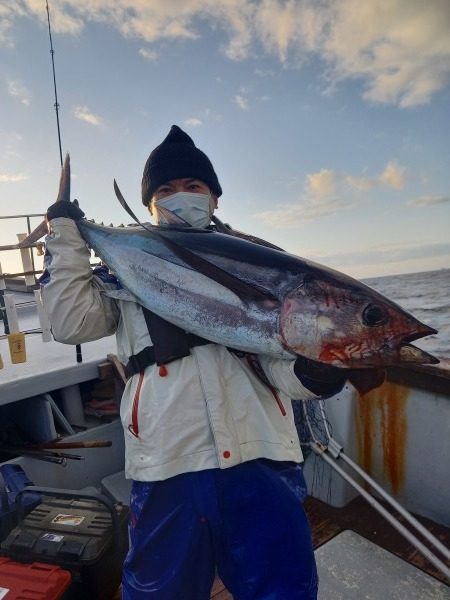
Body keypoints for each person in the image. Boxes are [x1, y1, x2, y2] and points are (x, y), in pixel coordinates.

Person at [42, 125, 349, 600]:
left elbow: (281, 371)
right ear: (149, 206)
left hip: (261, 455)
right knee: (161, 592)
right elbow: (69, 324)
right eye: (165, 190)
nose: (180, 196)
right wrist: (66, 237)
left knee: (282, 588)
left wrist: (316, 371)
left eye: (193, 187)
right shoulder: (125, 270)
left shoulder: (265, 264)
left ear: (215, 198)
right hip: (167, 462)